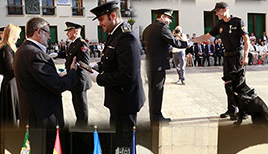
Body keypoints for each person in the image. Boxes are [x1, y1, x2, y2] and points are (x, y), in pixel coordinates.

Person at [89, 1, 145, 143]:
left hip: (125, 102)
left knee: (124, 145)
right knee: (117, 141)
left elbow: (128, 74)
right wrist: (98, 66)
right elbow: (112, 61)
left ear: (113, 15)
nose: (100, 24)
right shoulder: (114, 34)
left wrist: (99, 79)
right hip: (117, 100)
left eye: (102, 19)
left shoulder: (127, 37)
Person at [14, 17, 78, 128]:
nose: (50, 37)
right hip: (42, 117)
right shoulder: (35, 54)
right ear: (39, 31)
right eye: (48, 32)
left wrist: (54, 76)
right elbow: (58, 86)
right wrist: (73, 72)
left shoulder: (23, 49)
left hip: (33, 115)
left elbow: (38, 79)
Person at [192, 2, 250, 120]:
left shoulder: (238, 22)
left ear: (224, 10)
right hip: (227, 57)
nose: (216, 13)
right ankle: (231, 109)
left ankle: (242, 111)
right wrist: (190, 40)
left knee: (238, 83)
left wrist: (246, 56)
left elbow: (246, 40)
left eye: (217, 11)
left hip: (237, 56)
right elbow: (207, 36)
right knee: (227, 83)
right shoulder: (220, 24)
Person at [142, 9, 187, 122]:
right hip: (159, 65)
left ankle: (153, 115)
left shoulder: (148, 28)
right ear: (162, 17)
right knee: (157, 91)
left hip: (150, 64)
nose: (170, 21)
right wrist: (187, 44)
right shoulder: (162, 28)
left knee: (152, 92)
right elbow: (174, 42)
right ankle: (157, 117)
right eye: (169, 18)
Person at [64, 22, 92, 127]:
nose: (67, 33)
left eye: (68, 31)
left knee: (81, 107)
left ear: (75, 31)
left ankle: (83, 126)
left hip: (80, 80)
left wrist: (74, 67)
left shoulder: (81, 44)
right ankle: (79, 124)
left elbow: (85, 63)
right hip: (74, 80)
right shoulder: (73, 43)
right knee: (76, 105)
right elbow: (68, 54)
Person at [0, 24, 21, 126]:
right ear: (12, 34)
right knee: (11, 116)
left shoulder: (6, 48)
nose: (19, 37)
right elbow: (12, 69)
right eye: (18, 34)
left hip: (11, 83)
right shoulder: (6, 48)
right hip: (10, 85)